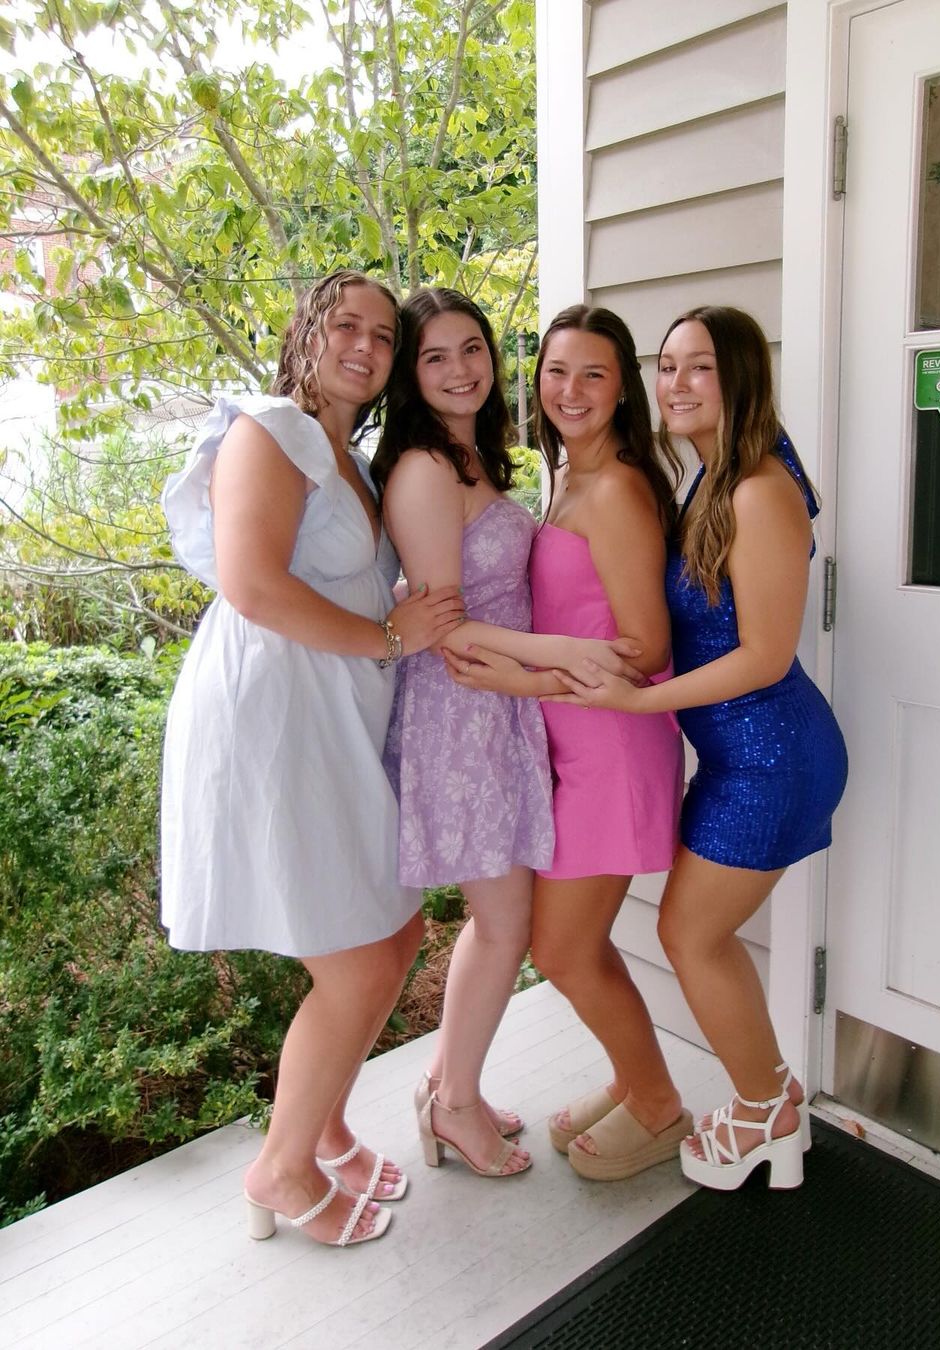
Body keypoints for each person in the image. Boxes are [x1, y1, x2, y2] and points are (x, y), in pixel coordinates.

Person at [159, 270, 465, 1246]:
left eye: (383, 335)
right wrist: (389, 638)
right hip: (274, 719)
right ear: (306, 332)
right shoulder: (269, 431)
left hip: (335, 719)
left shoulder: (356, 462)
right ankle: (280, 1170)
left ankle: (324, 1131)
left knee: (393, 933)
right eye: (347, 326)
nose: (365, 347)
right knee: (360, 961)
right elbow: (251, 583)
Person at [548, 306, 848, 1192]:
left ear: (740, 377)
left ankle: (767, 1111)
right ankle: (770, 1102)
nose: (675, 384)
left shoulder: (757, 490)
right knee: (694, 934)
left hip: (775, 758)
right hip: (736, 758)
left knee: (689, 933)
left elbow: (765, 655)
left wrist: (639, 698)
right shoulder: (711, 477)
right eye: (667, 366)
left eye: (699, 367)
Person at [445, 305, 691, 1181]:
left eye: (593, 374)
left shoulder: (617, 489)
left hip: (614, 748)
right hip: (571, 743)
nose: (571, 390)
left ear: (623, 387)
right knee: (575, 943)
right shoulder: (569, 475)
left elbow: (647, 648)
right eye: (556, 371)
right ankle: (634, 1079)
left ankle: (658, 1104)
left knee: (563, 948)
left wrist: (517, 677)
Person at [371, 287, 555, 1179]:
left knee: (498, 917)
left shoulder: (475, 456)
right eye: (435, 356)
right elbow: (444, 626)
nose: (459, 369)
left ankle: (449, 1086)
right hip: (461, 709)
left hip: (498, 701)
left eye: (472, 348)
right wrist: (565, 659)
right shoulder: (423, 468)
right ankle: (452, 1107)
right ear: (411, 374)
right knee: (506, 921)